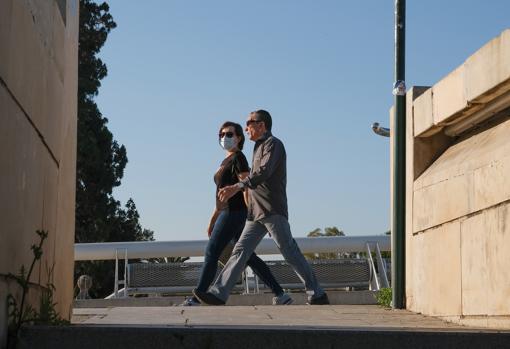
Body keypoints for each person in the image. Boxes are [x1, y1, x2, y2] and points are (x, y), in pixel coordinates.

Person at [193, 111, 329, 306]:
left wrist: (237, 187)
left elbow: (263, 173)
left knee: (289, 252)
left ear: (262, 125)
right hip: (255, 213)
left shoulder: (274, 144)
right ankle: (218, 293)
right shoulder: (257, 147)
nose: (246, 126)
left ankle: (317, 294)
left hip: (272, 210)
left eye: (250, 122)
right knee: (240, 251)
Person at [182, 121, 293, 306]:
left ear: (239, 138)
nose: (224, 137)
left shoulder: (238, 158)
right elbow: (221, 196)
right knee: (248, 256)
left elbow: (246, 190)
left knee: (212, 252)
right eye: (221, 134)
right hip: (226, 212)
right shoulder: (225, 161)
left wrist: (250, 214)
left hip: (235, 213)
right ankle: (280, 294)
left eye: (229, 134)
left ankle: (197, 297)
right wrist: (212, 220)